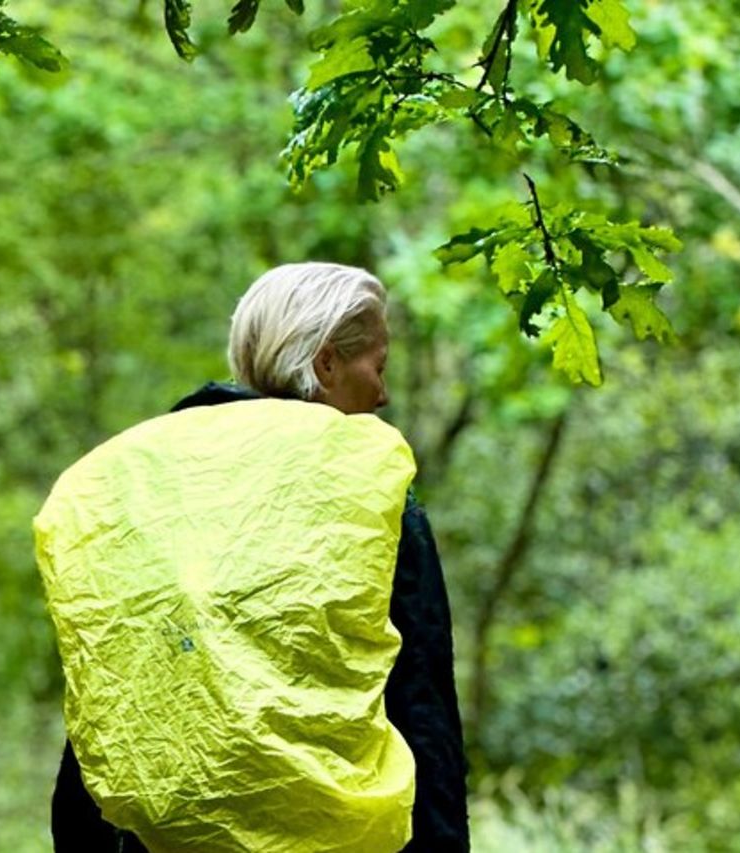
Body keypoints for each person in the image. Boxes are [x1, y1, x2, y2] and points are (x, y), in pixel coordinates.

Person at [47, 262, 469, 851]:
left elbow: (116, 674)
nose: (384, 392)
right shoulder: (365, 483)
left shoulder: (151, 479)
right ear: (327, 363)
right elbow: (418, 697)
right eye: (378, 365)